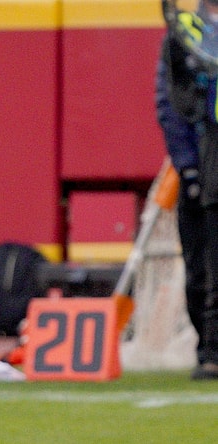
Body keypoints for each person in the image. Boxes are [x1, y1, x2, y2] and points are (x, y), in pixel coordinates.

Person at [156, 1, 218, 380]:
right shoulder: (184, 33)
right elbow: (171, 106)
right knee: (203, 267)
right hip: (204, 166)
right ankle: (208, 348)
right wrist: (189, 167)